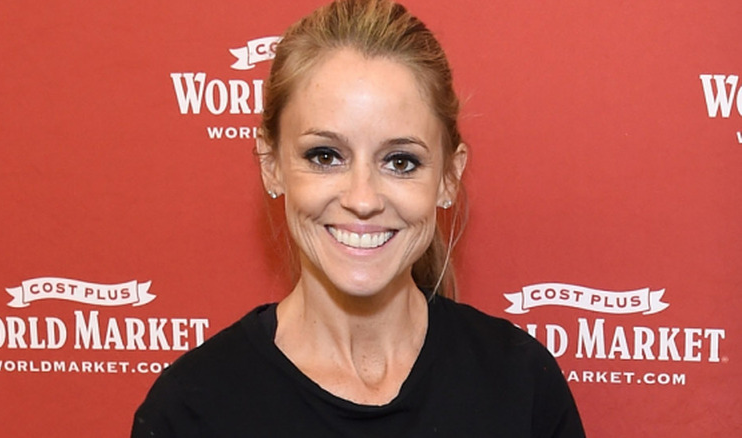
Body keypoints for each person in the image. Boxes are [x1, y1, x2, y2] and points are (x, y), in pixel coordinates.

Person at [132, 0, 585, 436]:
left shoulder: (521, 384)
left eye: (401, 161)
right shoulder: (191, 409)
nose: (363, 199)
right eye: (326, 156)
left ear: (449, 176)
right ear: (271, 164)